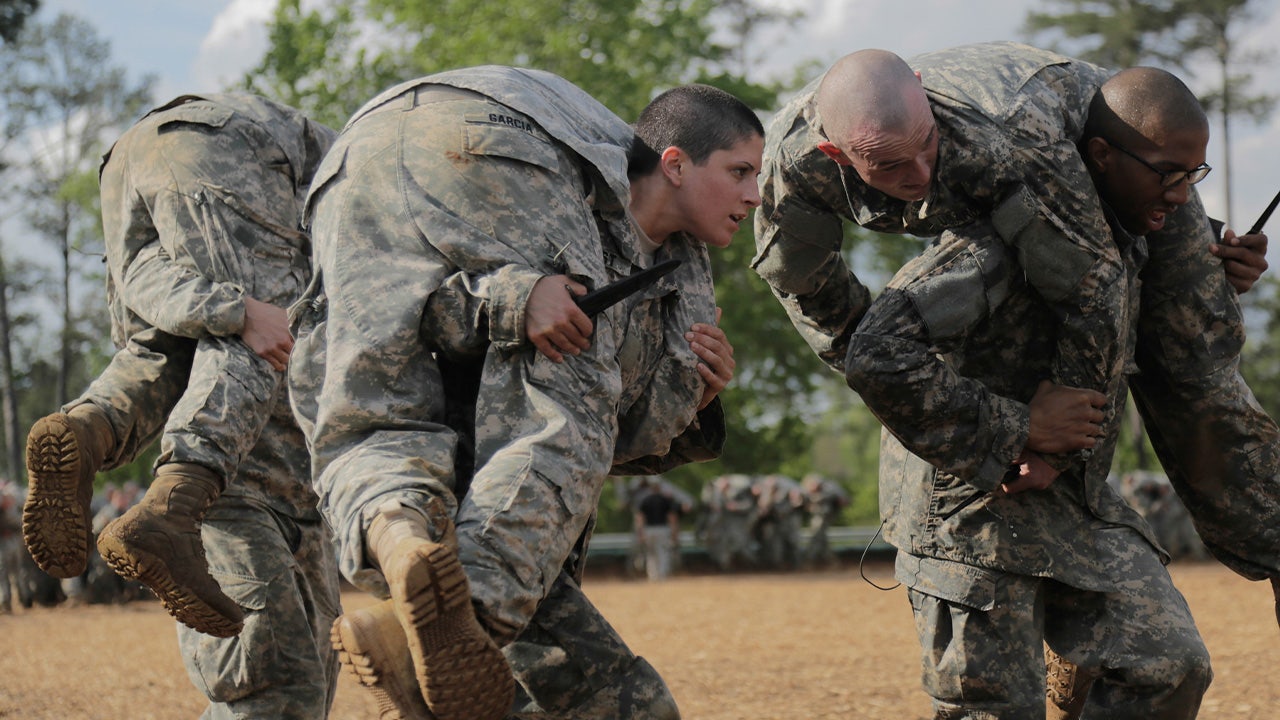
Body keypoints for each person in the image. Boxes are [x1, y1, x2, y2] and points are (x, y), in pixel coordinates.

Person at [751, 41, 1280, 623]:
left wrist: (1061, 445)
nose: (920, 174)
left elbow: (1093, 285)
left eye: (926, 147)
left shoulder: (1009, 135)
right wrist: (938, 407)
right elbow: (813, 294)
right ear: (837, 153)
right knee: (969, 351)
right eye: (890, 165)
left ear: (927, 100)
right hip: (1019, 198)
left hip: (1124, 153)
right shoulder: (791, 166)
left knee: (1194, 361)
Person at [288, 70, 757, 719]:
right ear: (675, 165)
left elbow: (620, 438)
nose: (755, 195)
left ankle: (411, 584)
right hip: (469, 517)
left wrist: (697, 400)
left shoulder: (681, 274)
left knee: (583, 704)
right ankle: (455, 620)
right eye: (741, 172)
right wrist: (515, 298)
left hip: (532, 539)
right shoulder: (560, 195)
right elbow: (421, 327)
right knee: (630, 706)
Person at [844, 66, 1214, 718]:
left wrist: (1218, 273)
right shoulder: (997, 241)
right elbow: (876, 353)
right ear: (1101, 157)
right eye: (1168, 173)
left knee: (1171, 667)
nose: (1183, 195)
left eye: (1194, 176)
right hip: (972, 512)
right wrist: (1014, 428)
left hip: (1076, 505)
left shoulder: (1128, 236)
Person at [23, 93, 341, 717]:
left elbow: (161, 311)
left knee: (166, 340)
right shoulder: (365, 177)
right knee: (259, 317)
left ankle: (89, 428)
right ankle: (174, 502)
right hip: (228, 141)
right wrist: (242, 310)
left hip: (130, 152)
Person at [632, 476, 681, 581]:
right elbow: (672, 517)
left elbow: (640, 518)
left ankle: (652, 576)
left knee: (651, 554)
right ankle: (662, 575)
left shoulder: (644, 500)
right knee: (662, 552)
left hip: (649, 530)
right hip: (662, 529)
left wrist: (640, 533)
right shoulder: (665, 500)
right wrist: (674, 532)